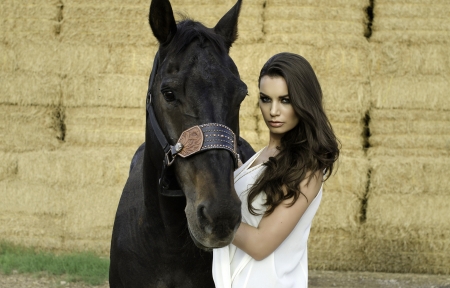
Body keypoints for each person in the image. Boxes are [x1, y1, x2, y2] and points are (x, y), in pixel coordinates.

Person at [212, 52, 340, 288]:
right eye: (265, 99)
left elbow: (260, 245)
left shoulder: (307, 168)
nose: (273, 111)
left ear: (304, 101)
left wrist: (211, 217)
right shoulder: (260, 156)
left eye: (285, 100)